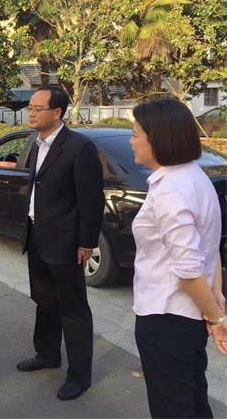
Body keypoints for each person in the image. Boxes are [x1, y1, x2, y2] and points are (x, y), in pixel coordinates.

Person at [129, 97, 227, 418]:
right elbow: (209, 247)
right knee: (193, 400)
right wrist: (215, 297)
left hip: (166, 318)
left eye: (135, 134)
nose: (131, 141)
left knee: (173, 408)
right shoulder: (194, 177)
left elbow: (188, 270)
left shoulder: (171, 191)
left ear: (158, 139)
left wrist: (217, 319)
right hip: (188, 318)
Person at [16, 85, 104, 401]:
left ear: (56, 112)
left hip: (66, 243)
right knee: (44, 300)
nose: (31, 113)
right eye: (30, 107)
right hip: (37, 235)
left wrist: (86, 243)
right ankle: (47, 354)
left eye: (37, 108)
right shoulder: (36, 143)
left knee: (73, 309)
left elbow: (91, 201)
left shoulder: (79, 148)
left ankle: (79, 376)